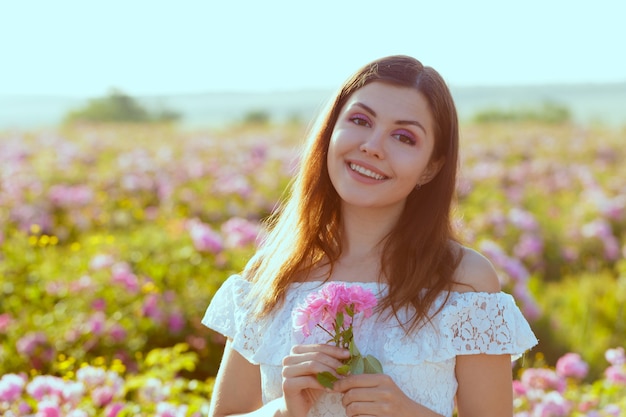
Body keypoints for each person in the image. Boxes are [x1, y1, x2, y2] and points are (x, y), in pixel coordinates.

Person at [202, 55, 538, 417]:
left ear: (431, 167)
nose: (372, 146)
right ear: (331, 131)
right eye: (360, 121)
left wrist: (406, 412)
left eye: (404, 137)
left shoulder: (464, 281)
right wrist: (283, 410)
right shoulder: (272, 273)